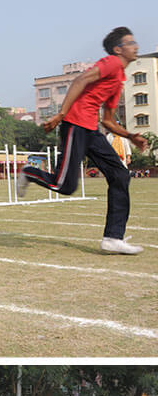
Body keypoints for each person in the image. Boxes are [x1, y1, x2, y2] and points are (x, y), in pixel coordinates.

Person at [19, 26, 148, 254]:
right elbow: (79, 81)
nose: (136, 46)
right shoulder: (111, 63)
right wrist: (60, 114)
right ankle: (30, 172)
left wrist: (130, 136)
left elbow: (108, 120)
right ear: (118, 49)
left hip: (91, 130)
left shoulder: (119, 78)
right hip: (74, 125)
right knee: (65, 185)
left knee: (120, 174)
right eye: (131, 42)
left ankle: (112, 237)